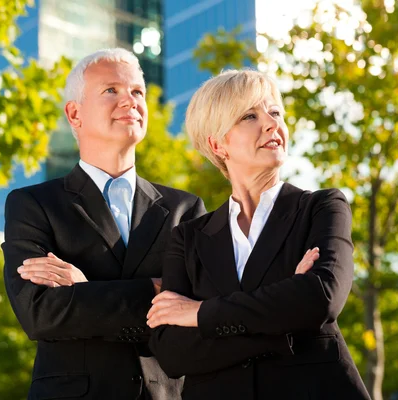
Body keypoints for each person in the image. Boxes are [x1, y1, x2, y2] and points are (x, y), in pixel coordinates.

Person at [147, 69, 370, 400]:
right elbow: (173, 352)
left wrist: (200, 313)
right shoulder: (188, 238)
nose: (271, 123)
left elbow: (319, 298)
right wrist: (284, 319)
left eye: (275, 112)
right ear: (217, 143)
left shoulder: (323, 207)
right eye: (250, 115)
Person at [2, 48, 205, 400]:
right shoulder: (32, 204)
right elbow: (40, 314)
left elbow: (201, 315)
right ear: (75, 114)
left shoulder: (184, 209)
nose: (129, 100)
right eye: (111, 90)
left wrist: (83, 291)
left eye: (137, 91)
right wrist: (157, 290)